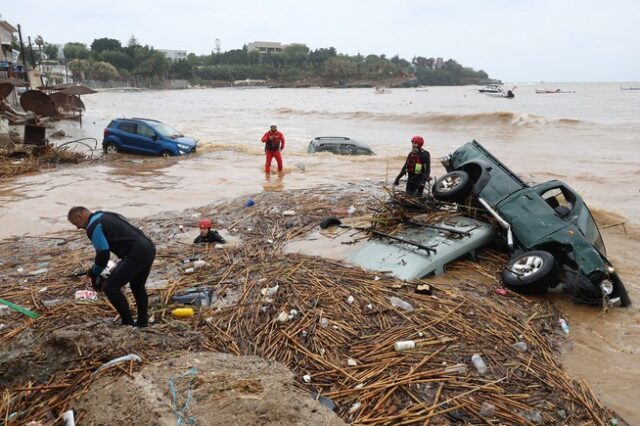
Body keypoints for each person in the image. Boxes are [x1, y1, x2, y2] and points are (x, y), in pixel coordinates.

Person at [67, 206, 156, 327]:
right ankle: (142, 323)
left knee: (110, 287)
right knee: (137, 286)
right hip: (148, 247)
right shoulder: (104, 215)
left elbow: (103, 253)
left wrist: (94, 272)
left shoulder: (92, 227)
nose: (77, 227)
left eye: (75, 223)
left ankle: (127, 323)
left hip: (136, 253)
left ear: (80, 217)